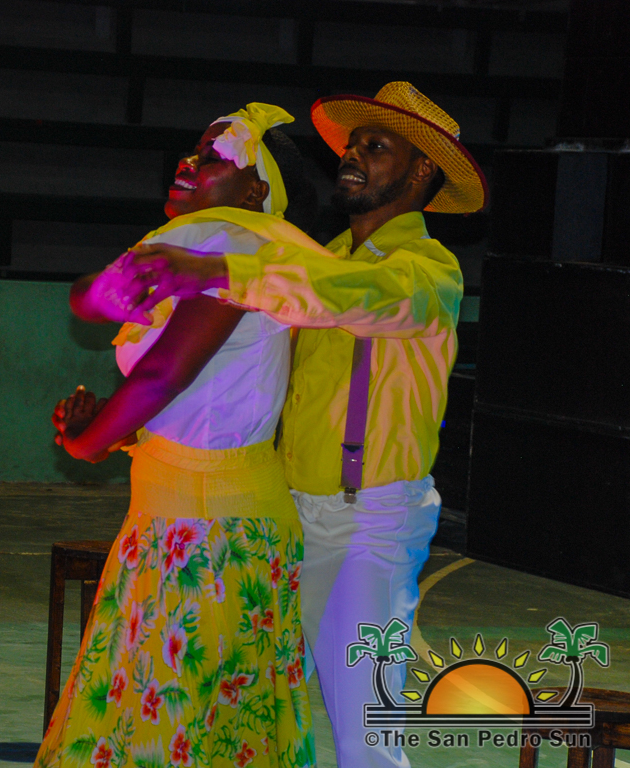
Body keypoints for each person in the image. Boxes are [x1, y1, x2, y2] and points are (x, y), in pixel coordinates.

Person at [111, 82, 487, 768]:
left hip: (370, 524)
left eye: (376, 147)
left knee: (364, 737)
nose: (352, 156)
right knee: (252, 713)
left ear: (422, 172)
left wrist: (217, 267)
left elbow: (347, 298)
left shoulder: (429, 272)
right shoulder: (323, 253)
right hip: (286, 514)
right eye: (353, 144)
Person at [37, 104, 323, 768]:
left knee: (175, 727)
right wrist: (111, 427)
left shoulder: (240, 249)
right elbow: (188, 387)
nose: (189, 164)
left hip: (213, 531)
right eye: (193, 151)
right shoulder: (197, 252)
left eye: (213, 157)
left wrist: (87, 444)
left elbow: (166, 373)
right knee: (166, 724)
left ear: (254, 191)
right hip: (174, 519)